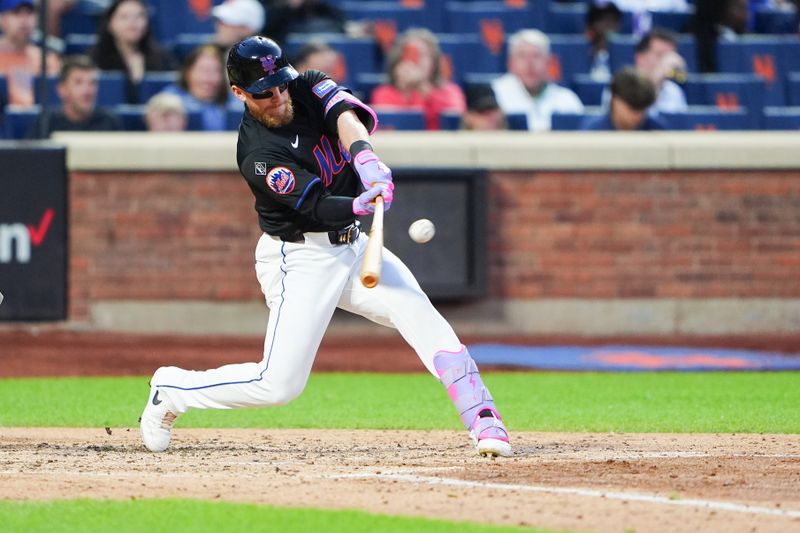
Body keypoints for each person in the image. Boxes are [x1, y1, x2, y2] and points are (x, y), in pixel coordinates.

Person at [138, 36, 512, 459]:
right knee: (278, 385)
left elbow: (344, 115)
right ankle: (172, 390)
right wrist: (358, 202)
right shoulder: (258, 152)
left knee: (422, 315)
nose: (277, 97)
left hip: (353, 246)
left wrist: (365, 159)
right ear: (240, 93)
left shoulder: (307, 84)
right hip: (300, 257)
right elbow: (316, 204)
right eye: (263, 93)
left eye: (280, 84)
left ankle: (483, 418)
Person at [370, 28, 466, 131]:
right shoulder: (383, 93)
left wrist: (424, 90)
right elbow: (390, 125)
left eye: (422, 55)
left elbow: (455, 118)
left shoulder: (450, 91)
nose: (416, 61)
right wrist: (405, 91)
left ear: (434, 60)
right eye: (410, 54)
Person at [491, 29, 584, 132]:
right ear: (510, 63)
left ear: (548, 63)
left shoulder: (566, 100)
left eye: (536, 56)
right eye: (522, 56)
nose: (529, 64)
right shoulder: (494, 95)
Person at [90, 0, 177, 104]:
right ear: (110, 23)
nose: (133, 22)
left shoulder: (163, 58)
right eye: (124, 17)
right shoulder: (95, 58)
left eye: (139, 16)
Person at [26, 55, 122, 138]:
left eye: (92, 83)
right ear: (62, 89)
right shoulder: (46, 123)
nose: (87, 91)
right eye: (78, 83)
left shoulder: (109, 123)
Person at [158, 44, 240, 131]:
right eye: (203, 70)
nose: (208, 78)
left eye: (215, 71)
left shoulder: (235, 103)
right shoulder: (169, 98)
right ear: (188, 73)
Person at [0, 0, 61, 107]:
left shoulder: (47, 59)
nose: (24, 21)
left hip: (41, 121)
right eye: (16, 13)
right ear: (2, 19)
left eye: (29, 13)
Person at [582, 66, 666, 130]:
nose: (638, 116)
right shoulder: (593, 131)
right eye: (633, 108)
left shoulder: (656, 130)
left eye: (642, 109)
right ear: (616, 101)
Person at [693, 0, 749, 72]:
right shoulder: (703, 38)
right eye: (740, 8)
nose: (747, 15)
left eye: (745, 8)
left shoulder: (743, 34)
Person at [586, 1, 623, 81]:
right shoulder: (581, 54)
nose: (609, 25)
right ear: (592, 25)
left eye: (614, 20)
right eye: (603, 20)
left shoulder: (626, 56)